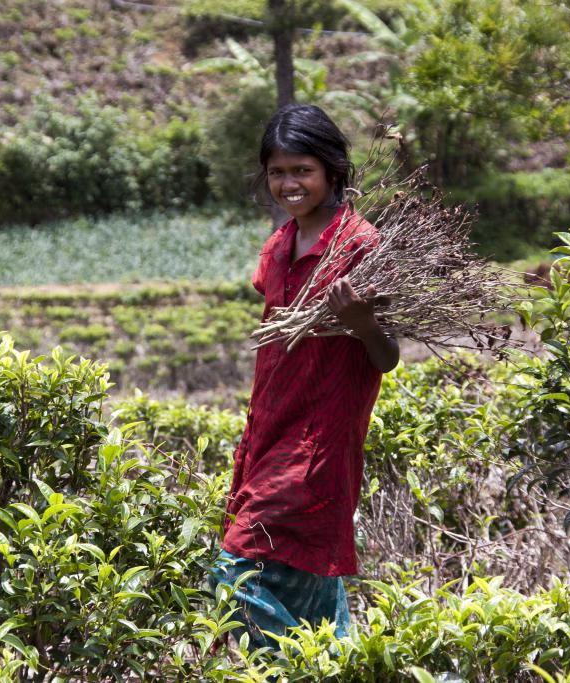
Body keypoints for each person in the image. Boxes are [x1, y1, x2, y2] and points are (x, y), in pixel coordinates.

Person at [208, 103, 399, 651]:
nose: (289, 183)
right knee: (306, 582)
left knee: (240, 567)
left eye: (302, 170)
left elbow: (386, 357)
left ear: (332, 170)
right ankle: (339, 660)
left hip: (318, 438)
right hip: (269, 428)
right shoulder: (277, 246)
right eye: (277, 172)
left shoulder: (361, 245)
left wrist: (363, 323)